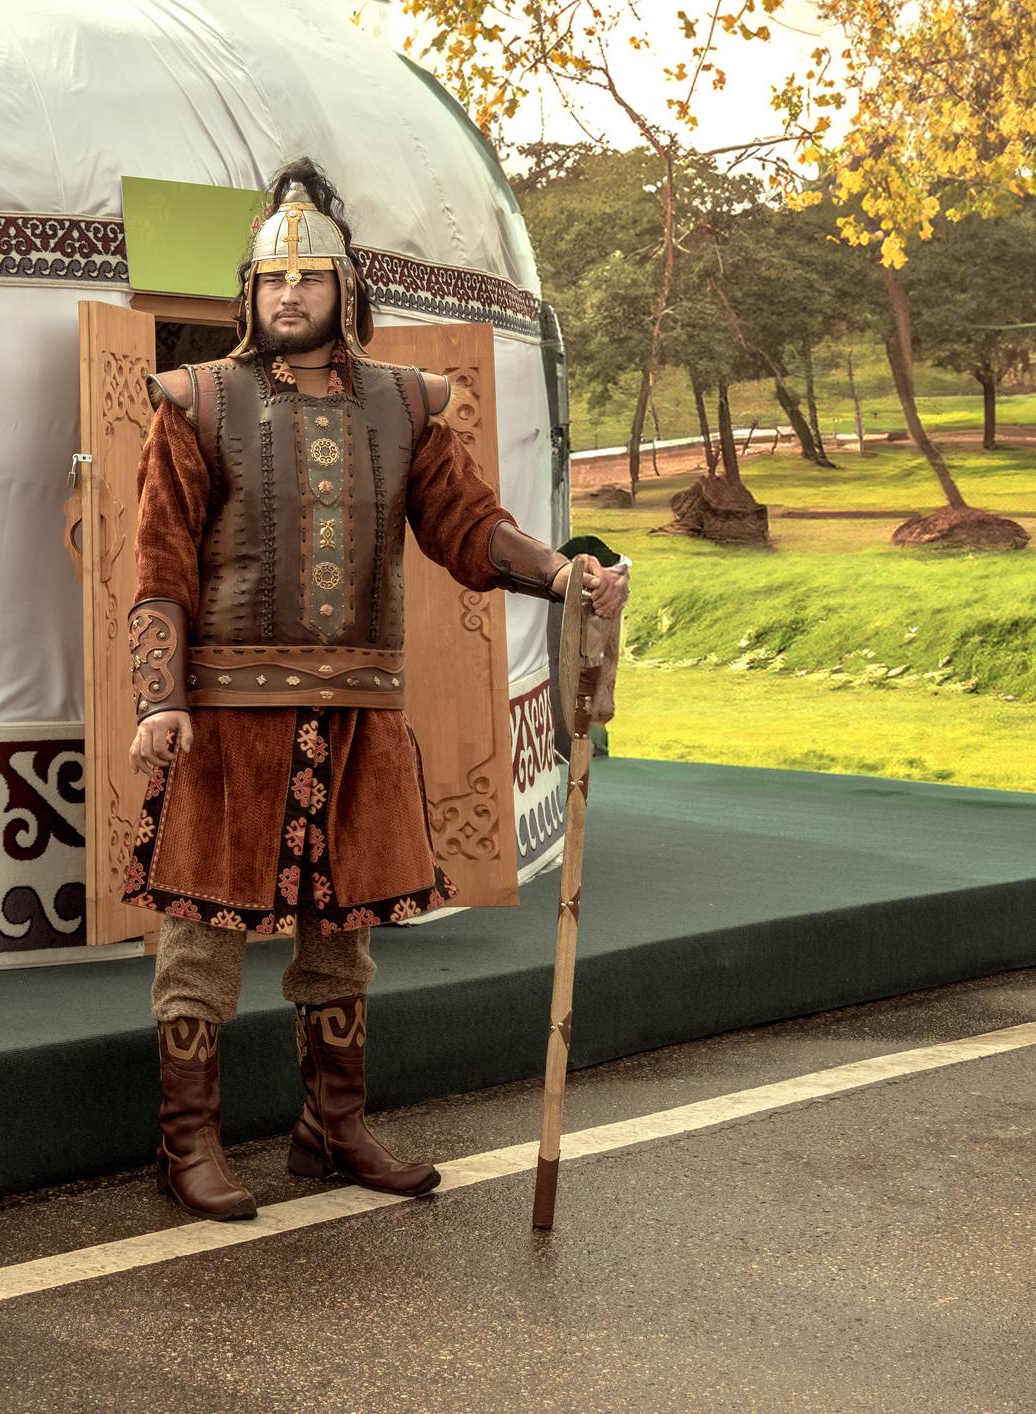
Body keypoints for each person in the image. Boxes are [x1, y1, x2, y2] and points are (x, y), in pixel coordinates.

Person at [124, 158, 629, 1221]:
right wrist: (160, 697)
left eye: (311, 278)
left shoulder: (403, 407)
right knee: (204, 929)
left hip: (359, 707)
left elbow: (470, 526)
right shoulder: (197, 401)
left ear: (346, 290)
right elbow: (159, 567)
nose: (291, 295)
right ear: (249, 294)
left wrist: (561, 573)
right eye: (274, 281)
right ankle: (189, 1142)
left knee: (343, 926)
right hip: (228, 715)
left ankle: (331, 1123)